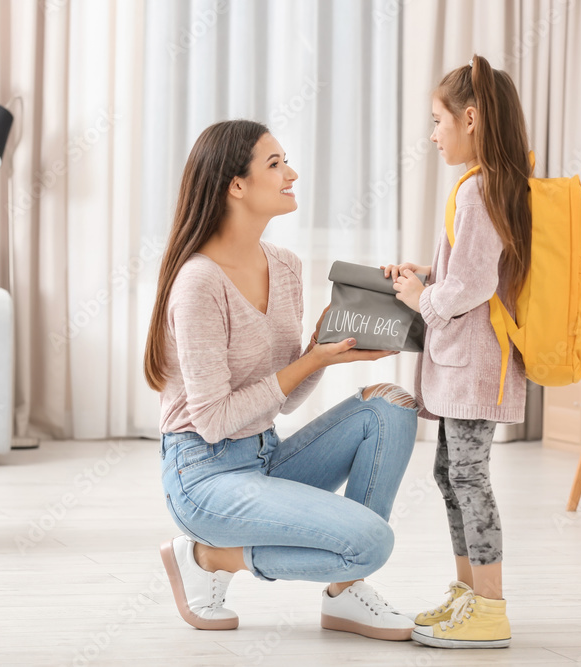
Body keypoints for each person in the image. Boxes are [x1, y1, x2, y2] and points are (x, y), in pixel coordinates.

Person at [145, 119, 420, 641]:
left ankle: (345, 594)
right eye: (275, 164)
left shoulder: (286, 266)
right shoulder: (199, 281)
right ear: (236, 186)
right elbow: (212, 421)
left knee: (392, 405)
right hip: (205, 476)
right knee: (371, 542)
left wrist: (327, 353)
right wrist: (310, 360)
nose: (291, 173)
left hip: (266, 455)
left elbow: (284, 401)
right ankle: (207, 555)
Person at [382, 54, 532, 649]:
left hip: (475, 364)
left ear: (470, 119)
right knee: (451, 473)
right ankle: (470, 592)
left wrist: (425, 296)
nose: (433, 133)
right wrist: (428, 274)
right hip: (465, 361)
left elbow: (474, 285)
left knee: (468, 476)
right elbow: (470, 270)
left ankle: (490, 608)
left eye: (438, 121)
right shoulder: (488, 183)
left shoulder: (480, 189)